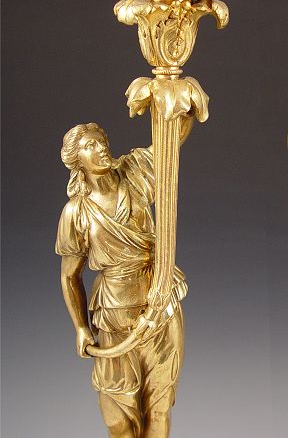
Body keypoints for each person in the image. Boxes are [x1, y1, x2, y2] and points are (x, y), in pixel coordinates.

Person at [55, 118, 193, 438]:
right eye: (90, 146)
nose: (101, 148)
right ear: (76, 160)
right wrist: (80, 327)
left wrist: (175, 104)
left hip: (160, 300)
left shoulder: (134, 173)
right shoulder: (76, 212)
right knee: (118, 417)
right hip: (114, 314)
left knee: (159, 405)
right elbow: (69, 276)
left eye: (101, 141)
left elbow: (170, 142)